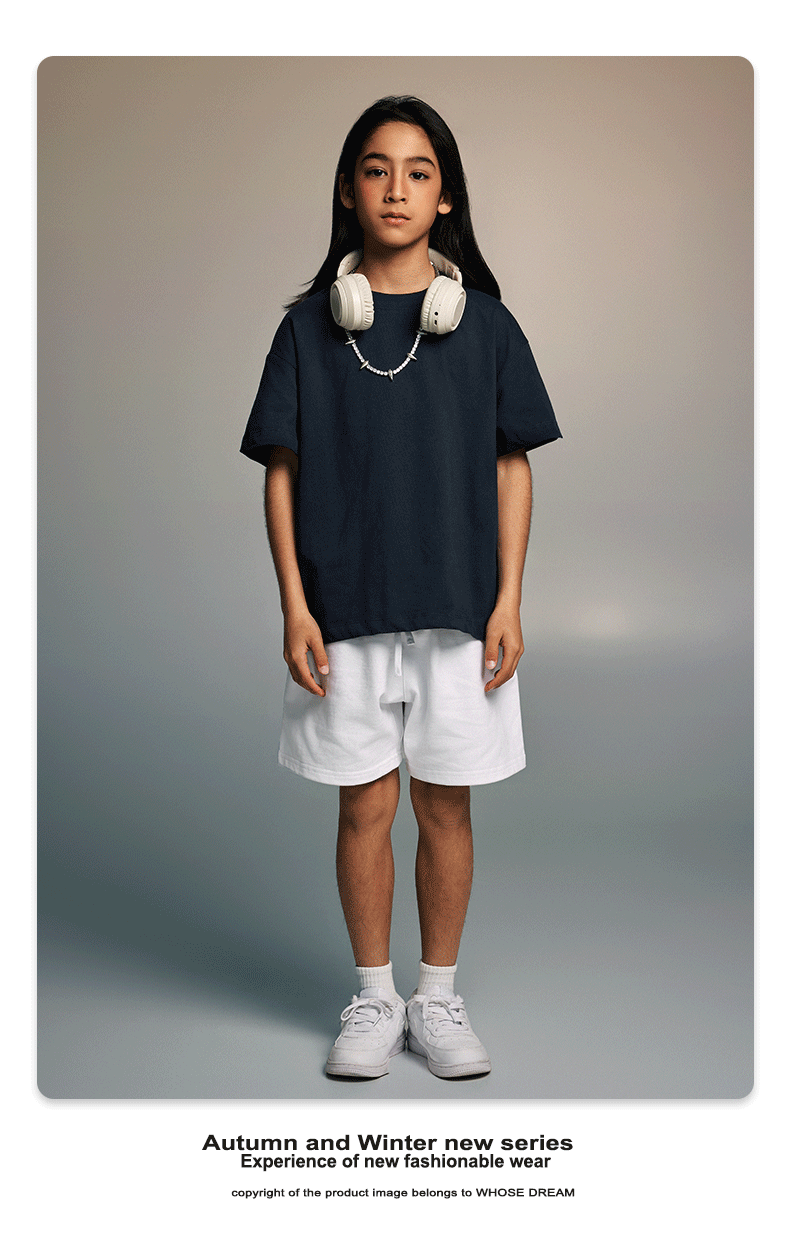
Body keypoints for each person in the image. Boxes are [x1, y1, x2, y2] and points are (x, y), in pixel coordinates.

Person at [240, 96, 561, 1080]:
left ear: (446, 197)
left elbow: (512, 464)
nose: (396, 188)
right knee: (363, 807)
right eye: (376, 169)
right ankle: (376, 997)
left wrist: (508, 600)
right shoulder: (307, 330)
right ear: (348, 189)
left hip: (459, 610)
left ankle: (438, 996)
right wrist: (295, 604)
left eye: (419, 172)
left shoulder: (488, 327)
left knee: (447, 807)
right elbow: (281, 471)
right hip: (344, 614)